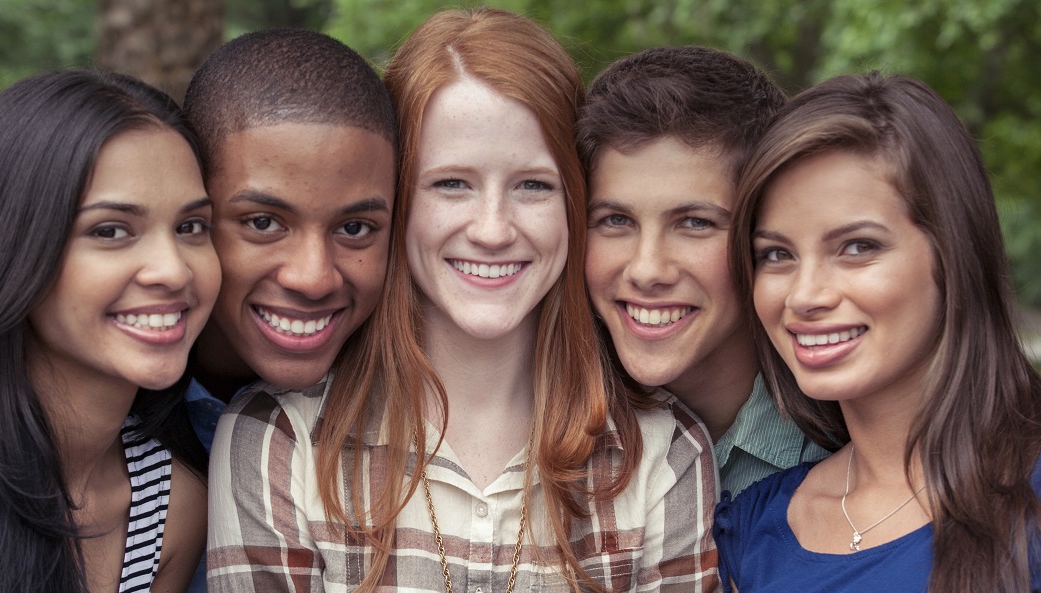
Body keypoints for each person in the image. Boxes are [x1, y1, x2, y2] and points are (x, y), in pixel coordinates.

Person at [208, 8, 718, 593]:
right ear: (396, 198)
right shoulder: (280, 437)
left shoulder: (663, 452)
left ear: (575, 202)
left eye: (533, 185)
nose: (493, 230)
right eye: (451, 183)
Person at [715, 72, 1041, 592]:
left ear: (953, 253)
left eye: (858, 247)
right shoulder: (753, 529)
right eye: (776, 255)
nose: (805, 295)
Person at [0, 69, 219, 593]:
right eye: (110, 230)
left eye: (191, 227)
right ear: (9, 249)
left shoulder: (170, 503)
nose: (174, 270)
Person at [180, 28, 398, 593]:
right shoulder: (101, 410)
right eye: (263, 222)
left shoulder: (425, 409)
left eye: (355, 229)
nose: (312, 276)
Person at [576, 46, 828, 498]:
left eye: (695, 223)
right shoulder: (543, 428)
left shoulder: (849, 444)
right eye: (616, 221)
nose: (648, 269)